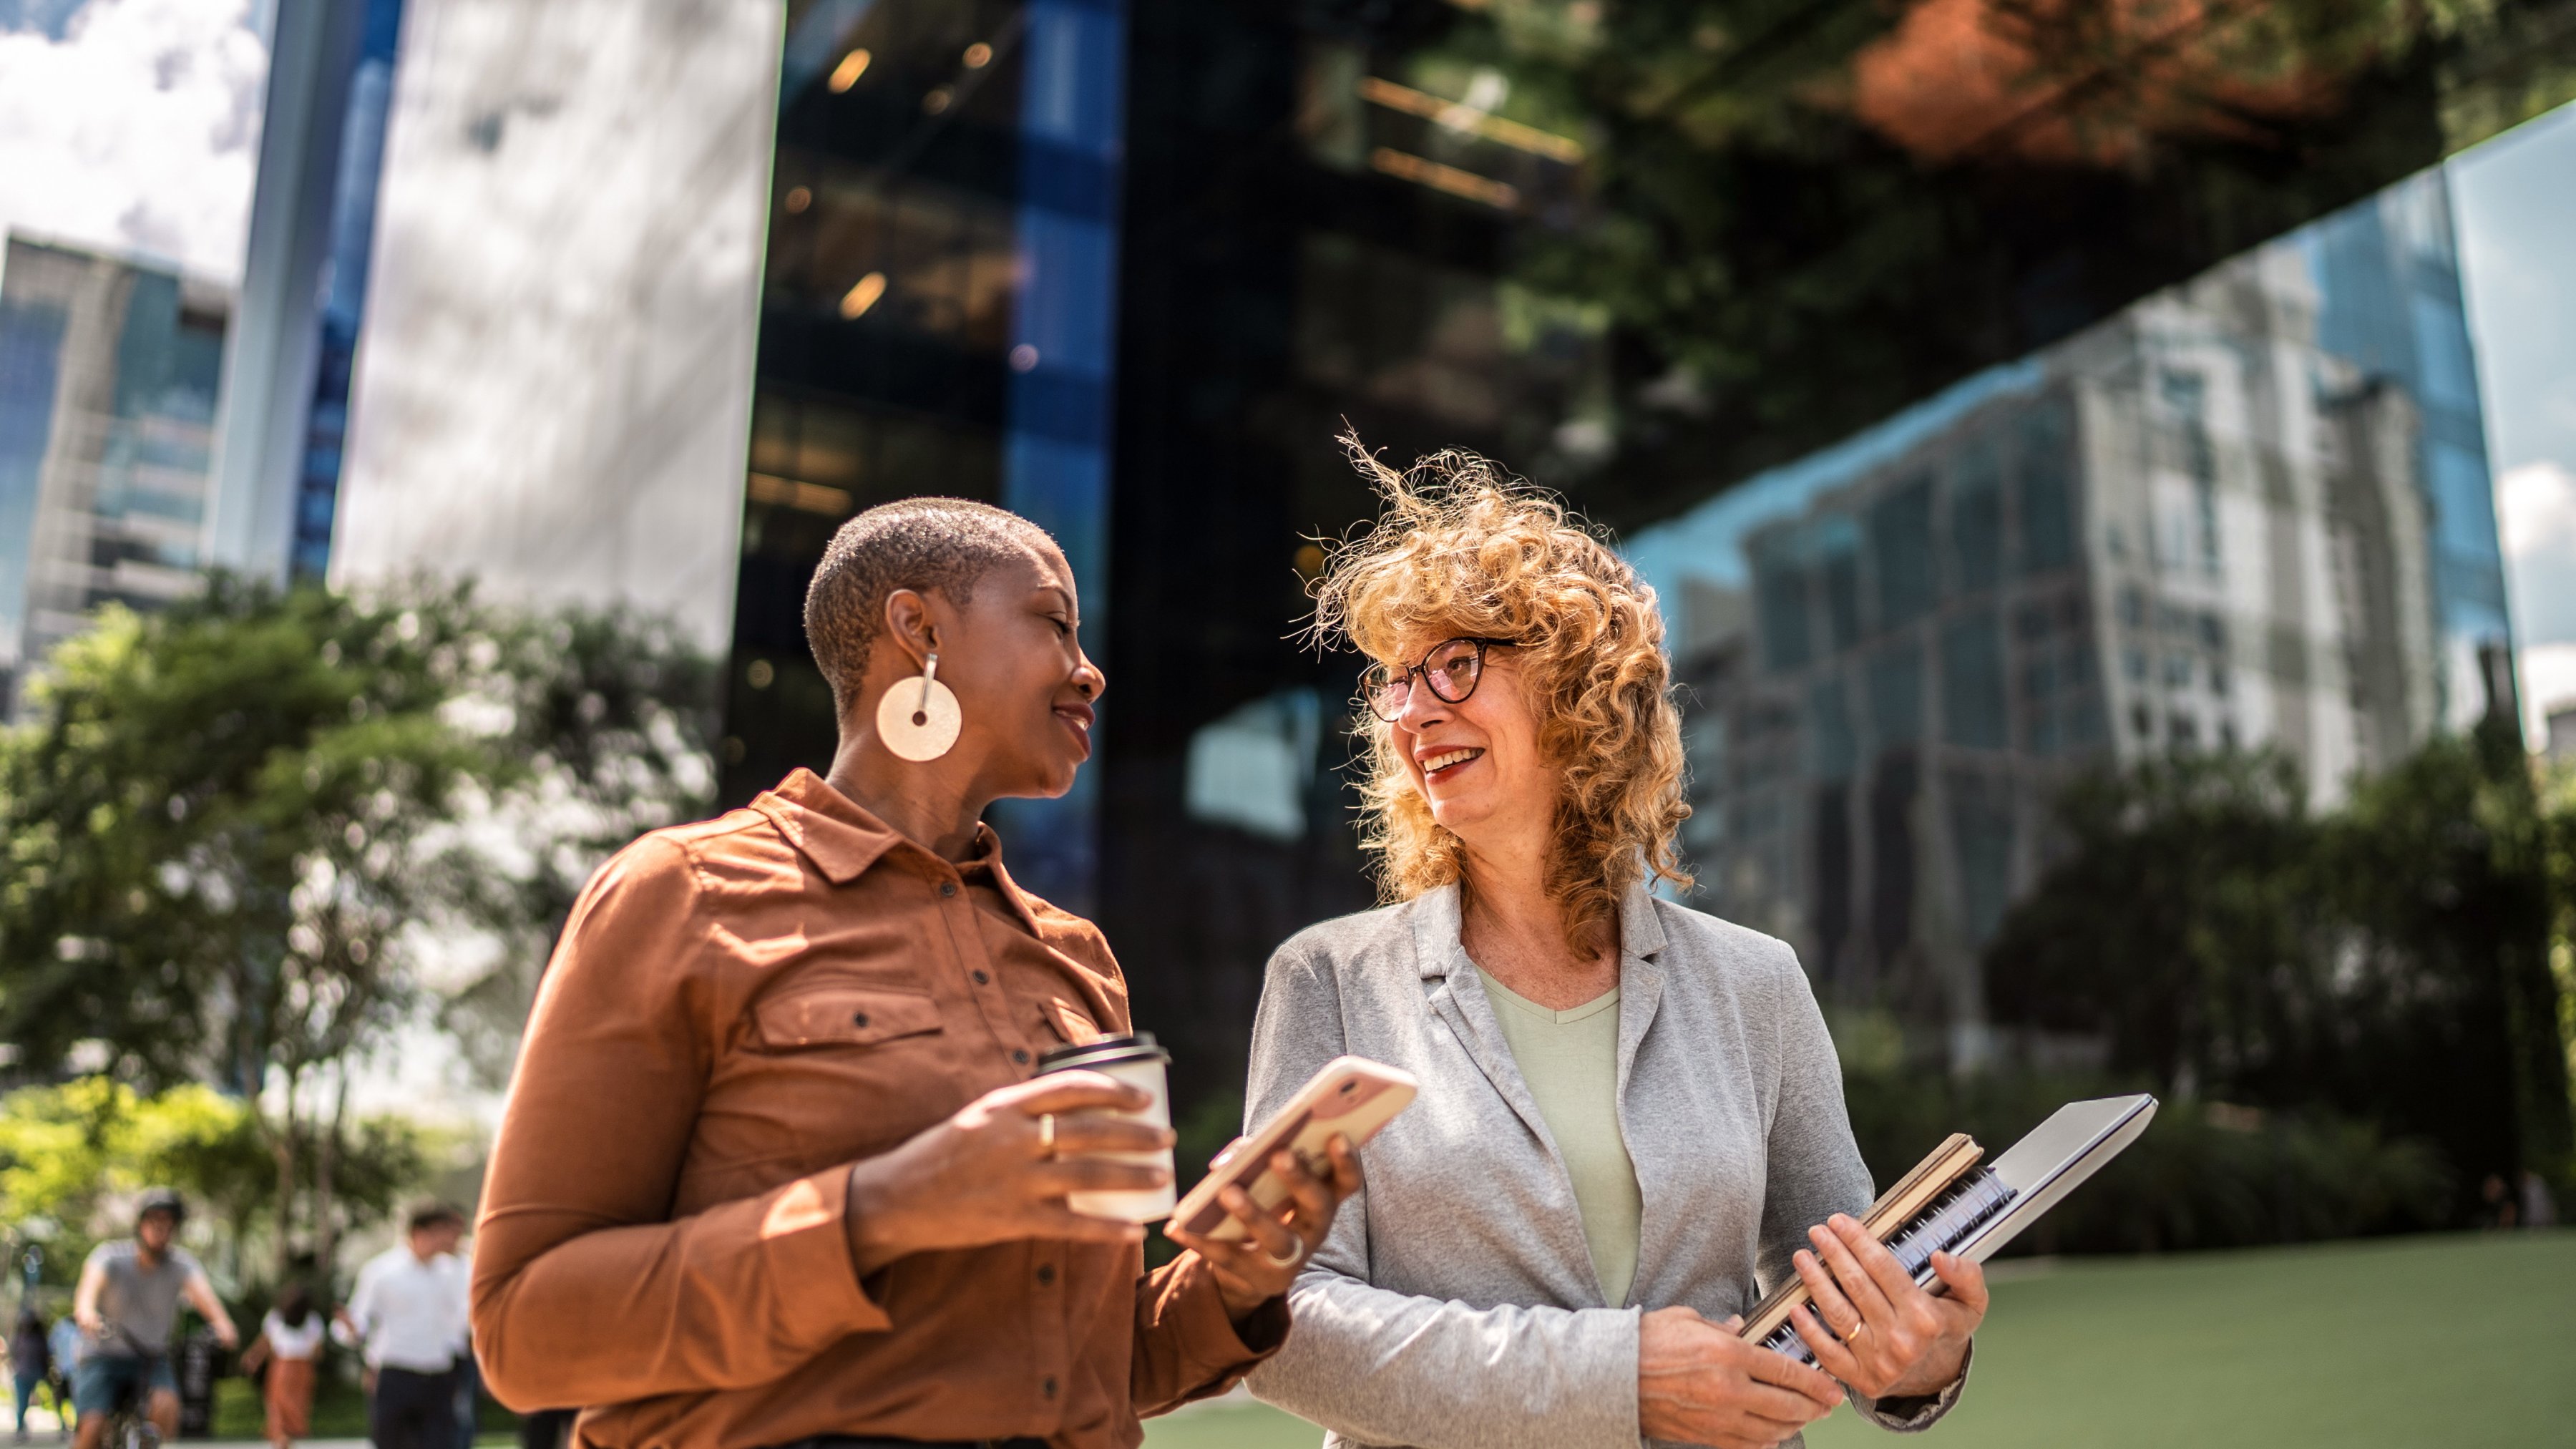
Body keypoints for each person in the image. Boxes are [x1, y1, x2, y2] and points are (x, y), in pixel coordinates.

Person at [472, 499, 1360, 1449]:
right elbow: (525, 1332)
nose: (1088, 669)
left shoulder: (1079, 960)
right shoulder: (682, 894)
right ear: (920, 628)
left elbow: (1089, 1370)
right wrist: (886, 1206)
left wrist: (1233, 1280)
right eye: (1055, 623)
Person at [1244, 443, 1986, 1449]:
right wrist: (1616, 1378)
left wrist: (1918, 1359)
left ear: (1579, 687)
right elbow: (1280, 1321)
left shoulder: (1755, 984)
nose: (1413, 712)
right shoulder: (1328, 982)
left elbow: (1839, 1289)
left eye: (1456, 664)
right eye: (1396, 681)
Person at [70, 1190, 238, 1449]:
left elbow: (205, 1296)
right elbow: (88, 1289)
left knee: (167, 1406)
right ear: (140, 1225)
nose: (162, 1231)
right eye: (155, 1223)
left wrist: (223, 1324)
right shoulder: (110, 1256)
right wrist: (87, 1314)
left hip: (151, 1357)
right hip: (103, 1355)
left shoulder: (182, 1264)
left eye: (169, 1225)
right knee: (92, 1428)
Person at [340, 1205, 470, 1449]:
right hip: (396, 1374)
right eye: (441, 1232)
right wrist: (350, 1329)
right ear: (418, 1233)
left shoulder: (453, 1271)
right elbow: (359, 1319)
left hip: (439, 1376)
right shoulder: (382, 1271)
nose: (448, 1239)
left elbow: (465, 1319)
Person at [238, 1285, 323, 1449]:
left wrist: (253, 1358)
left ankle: (282, 1441)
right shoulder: (313, 1319)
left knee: (278, 1406)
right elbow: (317, 1351)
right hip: (303, 1368)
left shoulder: (277, 1316)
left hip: (282, 1366)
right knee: (294, 1407)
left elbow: (265, 1342)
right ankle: (286, 1441)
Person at [10, 1308, 49, 1443]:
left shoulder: (39, 1338)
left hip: (36, 1374)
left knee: (29, 1403)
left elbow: (45, 1356)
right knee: (22, 1403)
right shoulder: (19, 1337)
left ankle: (64, 1426)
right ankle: (20, 1428)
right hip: (21, 1374)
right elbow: (13, 1354)